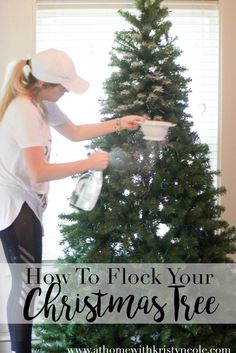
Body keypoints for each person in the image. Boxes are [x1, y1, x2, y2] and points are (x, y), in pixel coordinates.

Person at [0, 48, 145, 353]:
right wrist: (88, 163)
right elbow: (38, 169)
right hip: (14, 204)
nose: (66, 91)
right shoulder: (24, 110)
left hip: (28, 201)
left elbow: (76, 132)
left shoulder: (40, 103)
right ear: (44, 83)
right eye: (63, 86)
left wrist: (119, 122)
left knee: (29, 283)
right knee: (27, 284)